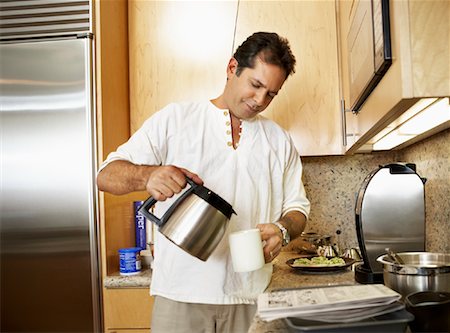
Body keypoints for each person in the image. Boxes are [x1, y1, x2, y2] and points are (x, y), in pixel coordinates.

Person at [97, 31, 310, 333]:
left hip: (250, 297)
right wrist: (147, 175)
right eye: (256, 85)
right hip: (180, 295)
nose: (260, 101)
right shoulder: (176, 120)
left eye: (271, 94)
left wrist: (284, 231)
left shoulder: (279, 140)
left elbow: (297, 208)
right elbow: (105, 175)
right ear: (232, 68)